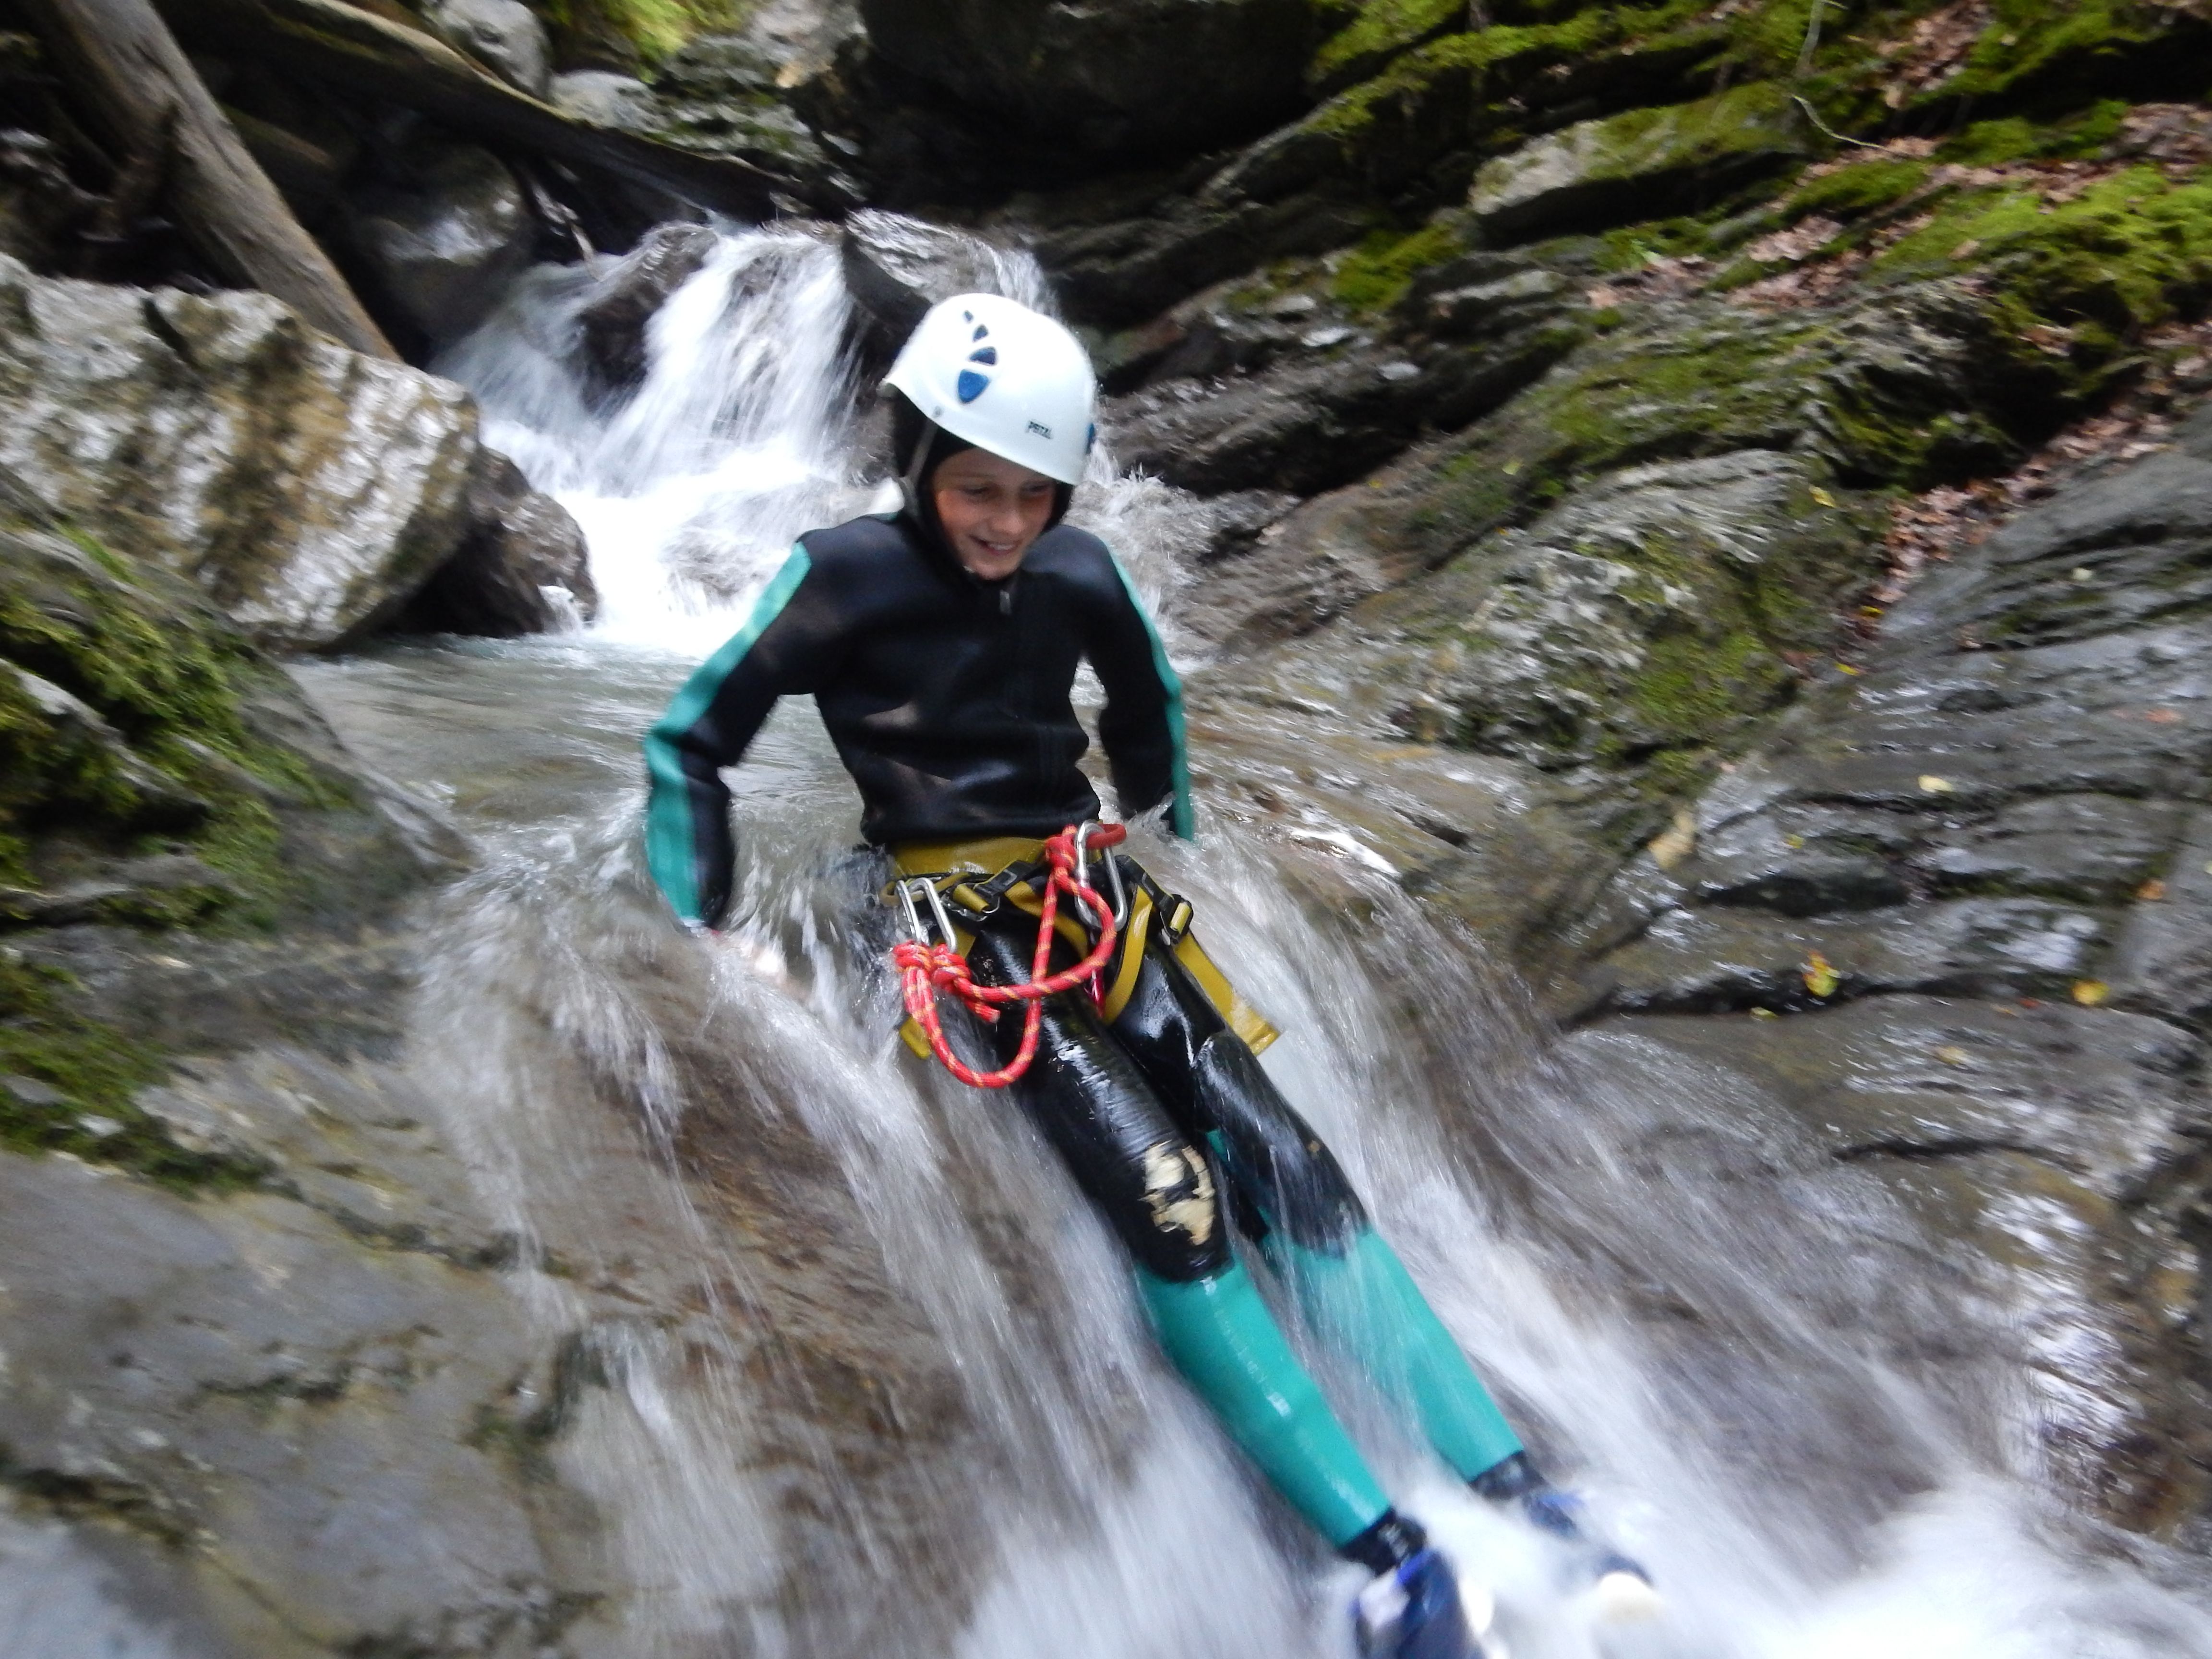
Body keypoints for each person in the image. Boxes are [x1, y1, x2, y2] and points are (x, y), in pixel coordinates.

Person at [641, 293, 1648, 1659]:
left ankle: (1520, 1494)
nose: (1003, 522)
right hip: (953, 928)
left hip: (1089, 900)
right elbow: (690, 739)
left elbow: (1147, 695)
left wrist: (1168, 830)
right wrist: (705, 921)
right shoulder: (841, 577)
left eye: (1032, 495)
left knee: (1287, 1166)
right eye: (973, 488)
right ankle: (1389, 1566)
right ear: (918, 461)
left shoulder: (1078, 574)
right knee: (1173, 1202)